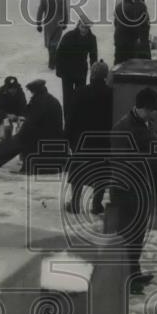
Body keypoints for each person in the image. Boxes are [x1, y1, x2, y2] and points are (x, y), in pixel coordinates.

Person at [109, 87, 157, 293]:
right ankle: (125, 278)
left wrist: (155, 187)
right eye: (152, 110)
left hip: (141, 189)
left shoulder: (143, 124)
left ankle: (133, 273)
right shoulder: (125, 129)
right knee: (127, 235)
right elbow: (127, 163)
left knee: (137, 235)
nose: (155, 113)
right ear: (144, 108)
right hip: (128, 191)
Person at [0, 79, 65, 172]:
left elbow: (32, 121)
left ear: (35, 90)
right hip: (48, 136)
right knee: (19, 138)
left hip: (47, 138)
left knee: (20, 140)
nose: (31, 94)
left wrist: (21, 133)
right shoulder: (47, 99)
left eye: (31, 92)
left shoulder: (41, 101)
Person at [66, 59, 113, 214]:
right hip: (103, 142)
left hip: (82, 141)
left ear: (91, 75)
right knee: (101, 173)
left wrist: (68, 139)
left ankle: (75, 203)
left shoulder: (80, 92)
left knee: (78, 172)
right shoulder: (111, 93)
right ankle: (97, 205)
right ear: (105, 75)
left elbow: (71, 118)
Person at [55, 18, 98, 122]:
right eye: (83, 27)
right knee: (68, 97)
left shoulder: (92, 38)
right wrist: (59, 70)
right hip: (67, 71)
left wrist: (94, 71)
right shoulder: (69, 36)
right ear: (78, 25)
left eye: (86, 28)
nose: (84, 30)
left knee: (80, 96)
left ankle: (79, 119)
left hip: (81, 71)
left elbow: (93, 56)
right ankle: (67, 119)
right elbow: (59, 53)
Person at [113, 0, 151, 65]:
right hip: (132, 40)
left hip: (118, 38)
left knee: (119, 61)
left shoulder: (119, 6)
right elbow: (138, 25)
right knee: (134, 61)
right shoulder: (138, 7)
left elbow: (115, 23)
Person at [37, 0, 68, 68]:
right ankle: (53, 61)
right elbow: (65, 11)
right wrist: (65, 22)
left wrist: (38, 24)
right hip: (59, 23)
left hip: (48, 24)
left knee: (49, 43)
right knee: (54, 42)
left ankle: (52, 61)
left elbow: (40, 12)